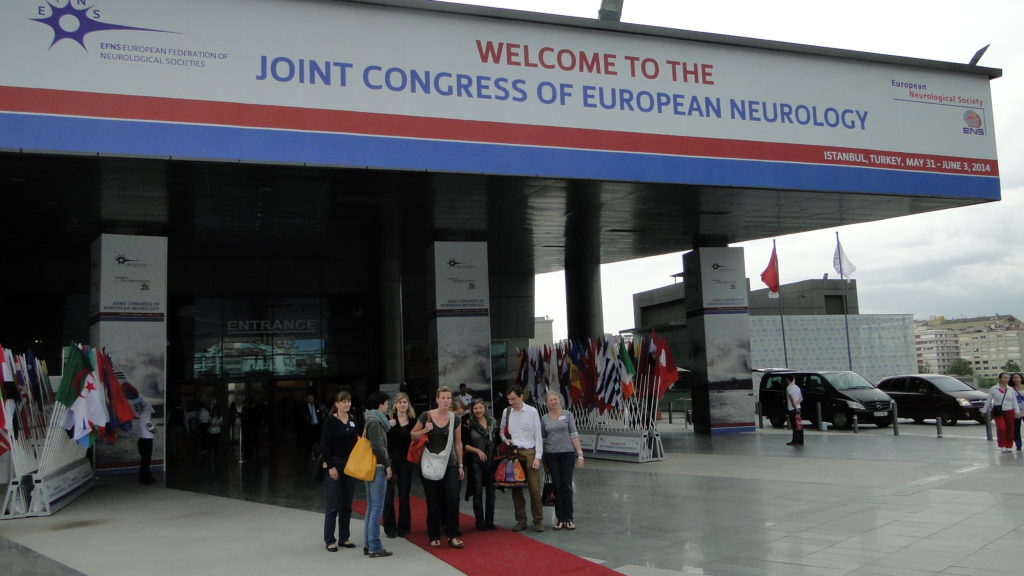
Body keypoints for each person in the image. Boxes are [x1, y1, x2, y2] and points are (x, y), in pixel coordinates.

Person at [410, 386, 465, 549]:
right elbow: (413, 435)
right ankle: (434, 534)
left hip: (449, 463)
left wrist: (460, 464)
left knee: (453, 499)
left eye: (448, 398)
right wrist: (425, 430)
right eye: (443, 398)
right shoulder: (426, 416)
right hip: (428, 463)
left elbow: (458, 442)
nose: (446, 401)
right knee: (433, 501)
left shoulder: (455, 418)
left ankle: (452, 534)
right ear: (437, 399)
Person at [499, 384, 545, 532]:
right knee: (516, 489)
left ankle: (538, 520)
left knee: (534, 488)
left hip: (530, 452)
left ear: (521, 397)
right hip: (514, 452)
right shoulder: (507, 412)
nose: (511, 402)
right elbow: (501, 431)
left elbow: (538, 435)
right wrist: (505, 440)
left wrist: (538, 457)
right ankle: (521, 520)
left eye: (513, 399)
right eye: (509, 399)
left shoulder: (532, 412)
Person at [321, 391, 360, 552]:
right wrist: (330, 466)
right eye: (343, 401)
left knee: (347, 504)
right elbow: (324, 445)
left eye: (349, 401)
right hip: (335, 464)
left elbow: (358, 441)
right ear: (336, 404)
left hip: (350, 465)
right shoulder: (330, 421)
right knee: (333, 504)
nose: (347, 404)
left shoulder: (352, 420)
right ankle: (330, 539)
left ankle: (345, 537)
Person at [540, 391, 584, 530]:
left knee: (567, 486)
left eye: (555, 399)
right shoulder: (544, 419)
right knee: (557, 486)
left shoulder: (568, 415)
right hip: (552, 456)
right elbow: (543, 439)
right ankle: (560, 518)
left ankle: (569, 518)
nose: (553, 402)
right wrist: (541, 457)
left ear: (560, 400)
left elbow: (574, 434)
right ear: (547, 403)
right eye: (550, 400)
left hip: (567, 454)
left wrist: (580, 454)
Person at [363, 392, 393, 558]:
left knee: (370, 507)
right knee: (376, 508)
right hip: (377, 467)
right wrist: (387, 465)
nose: (387, 405)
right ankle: (374, 546)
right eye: (386, 403)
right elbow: (378, 447)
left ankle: (368, 544)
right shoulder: (375, 422)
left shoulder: (370, 419)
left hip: (371, 467)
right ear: (380, 404)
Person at [384, 392, 415, 538]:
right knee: (389, 496)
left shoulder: (413, 421)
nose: (402, 404)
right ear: (395, 405)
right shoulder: (388, 420)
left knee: (404, 496)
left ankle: (404, 527)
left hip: (406, 463)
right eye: (400, 402)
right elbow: (382, 442)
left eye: (405, 402)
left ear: (408, 404)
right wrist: (387, 426)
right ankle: (389, 527)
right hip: (390, 463)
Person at [463, 398, 497, 531]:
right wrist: (477, 451)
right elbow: (465, 445)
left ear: (485, 408)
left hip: (491, 462)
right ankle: (480, 521)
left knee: (491, 493)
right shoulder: (469, 424)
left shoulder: (493, 423)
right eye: (475, 408)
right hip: (475, 462)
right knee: (477, 492)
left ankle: (490, 521)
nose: (478, 410)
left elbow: (498, 440)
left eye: (480, 408)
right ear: (472, 410)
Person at [985, 372, 1018, 453]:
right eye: (1004, 378)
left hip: (1010, 411)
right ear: (1000, 379)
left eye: (1007, 378)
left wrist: (1017, 411)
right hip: (998, 412)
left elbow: (1014, 401)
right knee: (1001, 428)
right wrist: (984, 410)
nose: (1006, 379)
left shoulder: (1011, 389)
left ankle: (1009, 446)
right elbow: (989, 400)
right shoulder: (993, 388)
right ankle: (1002, 445)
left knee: (1010, 429)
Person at [785, 374, 803, 447]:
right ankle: (800, 441)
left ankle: (794, 441)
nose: (785, 380)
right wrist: (797, 404)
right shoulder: (797, 387)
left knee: (794, 425)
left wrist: (794, 406)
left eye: (786, 379)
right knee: (799, 424)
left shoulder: (789, 388)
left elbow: (791, 399)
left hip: (792, 409)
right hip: (798, 407)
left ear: (788, 379)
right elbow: (801, 398)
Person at [1014, 373, 1024, 451]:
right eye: (1014, 378)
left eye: (1018, 377)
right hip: (1016, 411)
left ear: (1021, 378)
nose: (1016, 379)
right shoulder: (1010, 389)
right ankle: (1018, 445)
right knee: (1016, 429)